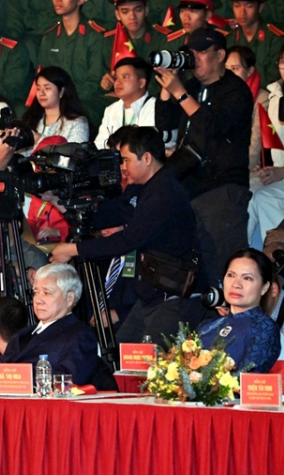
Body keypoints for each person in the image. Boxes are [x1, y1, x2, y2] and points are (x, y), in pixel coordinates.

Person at [51, 127, 203, 345]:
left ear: (147, 158)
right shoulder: (143, 188)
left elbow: (129, 239)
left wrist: (74, 250)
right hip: (151, 295)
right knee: (123, 354)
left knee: (150, 361)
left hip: (172, 296)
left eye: (126, 160)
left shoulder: (164, 192)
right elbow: (108, 215)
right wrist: (62, 203)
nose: (122, 167)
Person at [156, 27, 254, 289]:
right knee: (191, 269)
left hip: (222, 186)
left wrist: (180, 94)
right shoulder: (190, 87)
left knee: (224, 265)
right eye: (190, 52)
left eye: (201, 51)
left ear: (220, 55)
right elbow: (164, 126)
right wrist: (167, 89)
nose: (194, 57)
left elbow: (212, 127)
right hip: (188, 184)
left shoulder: (235, 90)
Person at [0, 263, 116, 389]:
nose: (38, 300)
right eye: (36, 292)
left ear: (69, 298)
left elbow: (69, 382)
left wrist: (20, 381)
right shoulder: (21, 335)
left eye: (47, 293)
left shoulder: (80, 335)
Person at [248, 40, 284, 249]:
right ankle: (240, 258)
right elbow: (271, 139)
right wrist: (265, 167)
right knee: (246, 192)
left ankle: (278, 260)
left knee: (266, 197)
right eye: (283, 62)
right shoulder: (275, 95)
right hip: (282, 173)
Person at [197, 249, 280, 373]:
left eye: (247, 278)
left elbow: (246, 378)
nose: (236, 284)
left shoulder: (264, 328)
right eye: (231, 275)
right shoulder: (207, 325)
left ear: (264, 287)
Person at [96, 57, 161, 150]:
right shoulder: (111, 110)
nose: (118, 82)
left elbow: (144, 146)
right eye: (116, 78)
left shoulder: (155, 107)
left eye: (125, 77)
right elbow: (99, 146)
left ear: (141, 83)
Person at [22, 66, 91, 145]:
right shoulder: (30, 120)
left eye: (47, 88)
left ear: (61, 91)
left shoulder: (77, 123)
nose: (41, 93)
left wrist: (40, 140)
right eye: (38, 89)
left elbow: (74, 152)